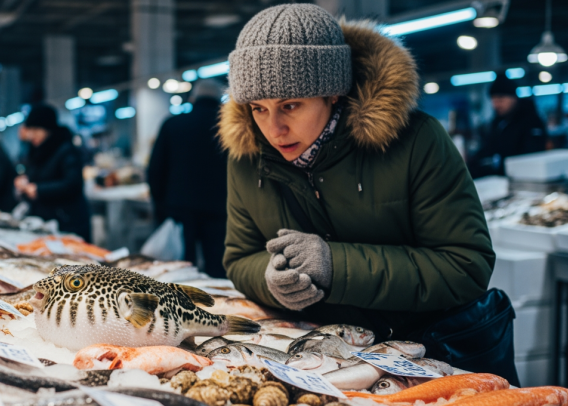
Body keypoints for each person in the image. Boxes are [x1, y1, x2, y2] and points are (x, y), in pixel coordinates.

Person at [220, 5, 517, 384]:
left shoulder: (415, 141)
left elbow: (466, 267)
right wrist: (269, 279)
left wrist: (335, 265)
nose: (273, 128)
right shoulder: (248, 158)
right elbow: (240, 257)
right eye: (258, 108)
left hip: (425, 361)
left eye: (290, 105)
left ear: (333, 93)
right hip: (320, 363)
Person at [147, 79, 229, 277]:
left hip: (180, 209)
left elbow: (155, 170)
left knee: (181, 269)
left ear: (193, 98)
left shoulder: (173, 124)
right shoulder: (229, 128)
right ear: (220, 100)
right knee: (218, 268)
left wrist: (160, 206)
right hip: (220, 209)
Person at [15, 105, 91, 241]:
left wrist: (39, 190)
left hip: (67, 223)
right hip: (45, 221)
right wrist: (25, 182)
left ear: (48, 129)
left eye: (36, 130)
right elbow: (38, 176)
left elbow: (73, 184)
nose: (32, 135)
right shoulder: (37, 151)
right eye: (30, 130)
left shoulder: (66, 150)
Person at [469, 75, 547, 178]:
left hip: (523, 178)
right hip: (499, 179)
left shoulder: (531, 122)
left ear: (513, 97)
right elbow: (488, 149)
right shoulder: (498, 123)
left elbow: (532, 155)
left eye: (500, 99)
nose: (496, 105)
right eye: (493, 100)